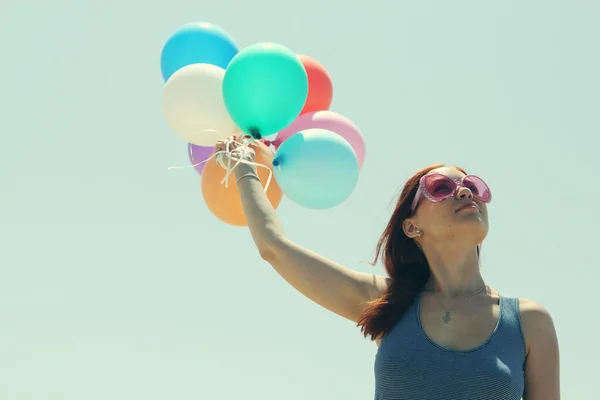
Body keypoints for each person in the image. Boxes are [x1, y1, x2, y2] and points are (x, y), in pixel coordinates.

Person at [214, 138, 560, 400]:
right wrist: (246, 168)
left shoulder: (529, 323)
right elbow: (274, 248)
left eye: (473, 187)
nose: (464, 192)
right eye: (441, 187)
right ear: (411, 227)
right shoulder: (386, 303)